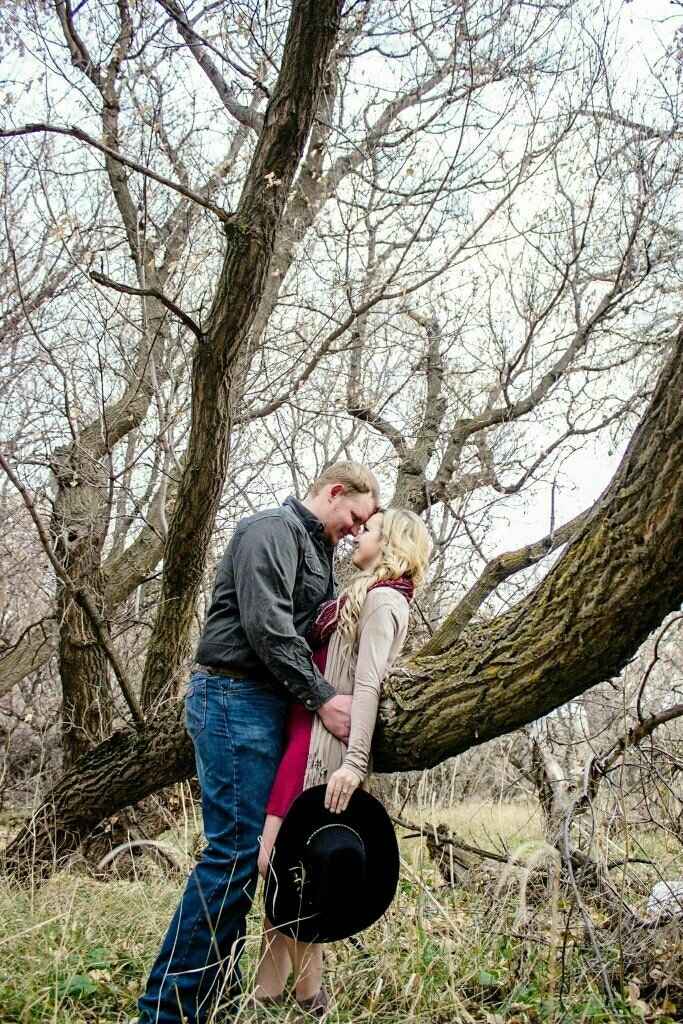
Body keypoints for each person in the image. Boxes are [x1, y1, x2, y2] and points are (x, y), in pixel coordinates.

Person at [136, 462, 380, 1024]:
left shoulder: (316, 551)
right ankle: (165, 1011)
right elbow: (267, 627)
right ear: (335, 491)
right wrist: (323, 698)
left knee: (246, 862)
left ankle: (211, 1001)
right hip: (231, 697)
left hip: (266, 707)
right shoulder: (268, 530)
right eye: (355, 517)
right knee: (233, 856)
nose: (353, 530)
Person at [252, 508, 432, 1018]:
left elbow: (370, 685)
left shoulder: (382, 599)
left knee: (280, 864)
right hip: (299, 737)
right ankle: (298, 997)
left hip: (322, 752)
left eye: (370, 530)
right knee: (286, 869)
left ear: (392, 543)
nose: (359, 534)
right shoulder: (357, 597)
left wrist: (353, 763)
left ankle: (283, 996)